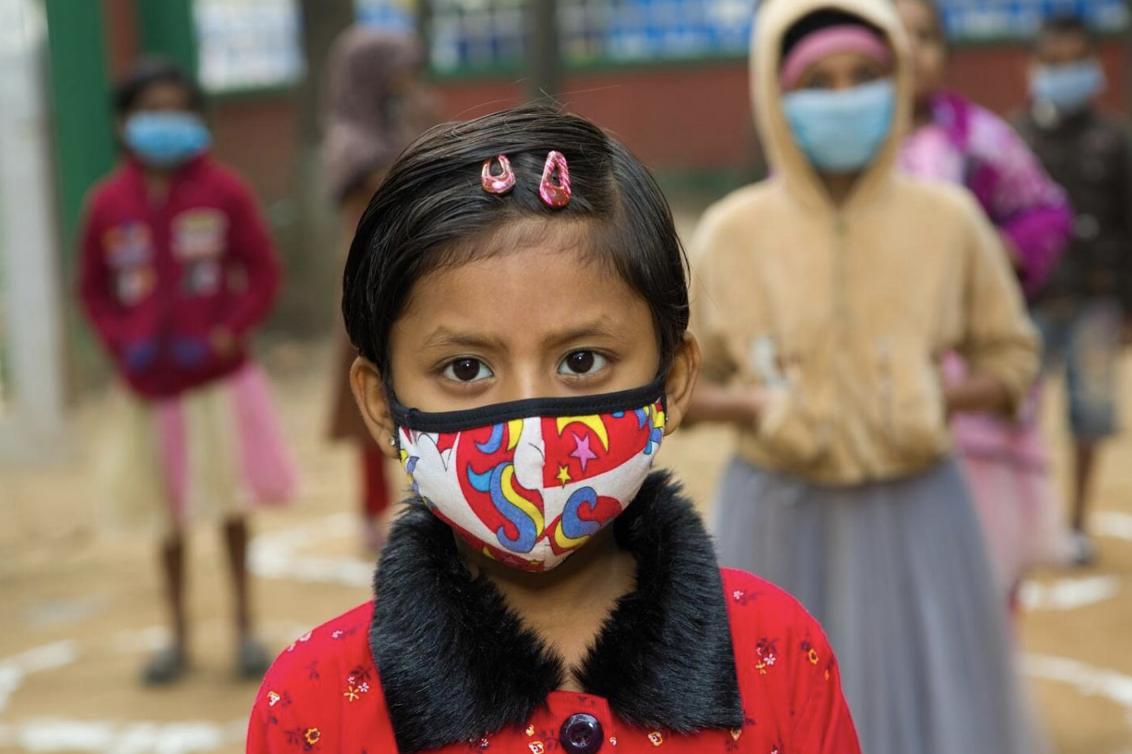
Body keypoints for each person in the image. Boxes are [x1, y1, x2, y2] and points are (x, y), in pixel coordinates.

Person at [246, 105, 862, 753]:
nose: (533, 428)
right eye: (465, 367)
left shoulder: (777, 654)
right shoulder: (315, 703)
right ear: (382, 406)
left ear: (674, 383)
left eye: (581, 361)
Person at [690, 1, 1044, 752]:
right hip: (779, 515)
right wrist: (759, 404)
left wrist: (932, 394)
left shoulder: (949, 221)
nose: (846, 96)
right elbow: (680, 385)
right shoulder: (733, 232)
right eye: (819, 81)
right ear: (775, 97)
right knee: (773, 712)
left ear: (899, 82)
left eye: (866, 75)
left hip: (919, 514)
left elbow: (1011, 356)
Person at [78, 59, 297, 685]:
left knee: (230, 506)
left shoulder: (224, 191)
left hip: (216, 387)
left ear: (198, 119)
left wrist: (229, 330)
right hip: (146, 391)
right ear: (124, 123)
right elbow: (91, 289)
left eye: (178, 109)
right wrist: (120, 343)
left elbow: (261, 270)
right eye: (151, 111)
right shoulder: (105, 205)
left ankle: (245, 629)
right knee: (164, 516)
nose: (165, 122)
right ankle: (175, 635)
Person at [894, 0, 1073, 600]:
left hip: (966, 387)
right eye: (895, 35)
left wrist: (994, 251)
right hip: (876, 392)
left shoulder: (981, 142)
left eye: (926, 37)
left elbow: (1047, 212)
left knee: (984, 565)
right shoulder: (822, 160)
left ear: (946, 52)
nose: (911, 51)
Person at [1015, 13, 1132, 566]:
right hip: (1026, 308)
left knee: (1090, 415)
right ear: (1034, 67)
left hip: (1096, 301)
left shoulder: (1115, 141)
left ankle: (1078, 523)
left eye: (1073, 63)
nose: (1063, 73)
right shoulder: (1014, 139)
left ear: (1094, 67)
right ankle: (1024, 522)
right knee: (1018, 417)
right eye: (1052, 63)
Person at [322, 28, 439, 552]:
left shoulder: (397, 127)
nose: (406, 81)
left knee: (429, 383)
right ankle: (370, 505)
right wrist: (421, 123)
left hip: (421, 271)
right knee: (371, 395)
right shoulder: (352, 139)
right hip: (370, 278)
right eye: (398, 70)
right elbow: (395, 181)